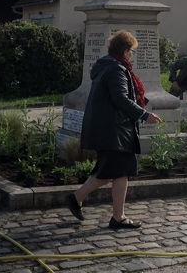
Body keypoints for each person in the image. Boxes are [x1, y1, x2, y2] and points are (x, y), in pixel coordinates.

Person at [65, 30, 161, 229]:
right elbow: (121, 98)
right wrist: (144, 115)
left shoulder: (108, 66)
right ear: (126, 51)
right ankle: (117, 217)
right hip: (114, 129)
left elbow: (118, 96)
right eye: (132, 51)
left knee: (112, 171)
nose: (132, 55)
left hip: (109, 128)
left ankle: (79, 198)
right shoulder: (116, 69)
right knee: (119, 172)